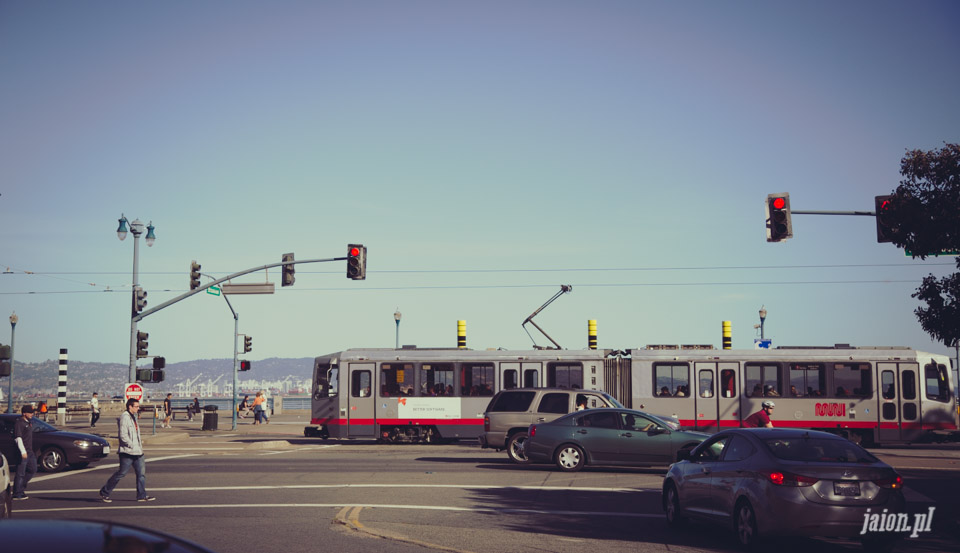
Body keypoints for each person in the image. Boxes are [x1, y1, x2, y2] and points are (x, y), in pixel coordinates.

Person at [99, 398, 155, 503]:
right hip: (127, 452)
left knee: (141, 474)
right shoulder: (124, 417)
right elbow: (123, 435)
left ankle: (141, 496)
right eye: (136, 406)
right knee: (121, 473)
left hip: (138, 452)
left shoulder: (133, 417)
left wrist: (139, 446)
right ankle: (104, 492)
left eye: (138, 406)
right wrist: (131, 445)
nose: (138, 408)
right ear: (130, 406)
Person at [13, 405, 37, 500]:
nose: (32, 414)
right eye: (30, 412)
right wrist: (23, 451)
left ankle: (21, 488)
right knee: (20, 473)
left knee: (33, 469)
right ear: (24, 413)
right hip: (23, 452)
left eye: (32, 412)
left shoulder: (28, 422)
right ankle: (17, 493)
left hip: (30, 452)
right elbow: (18, 438)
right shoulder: (19, 423)